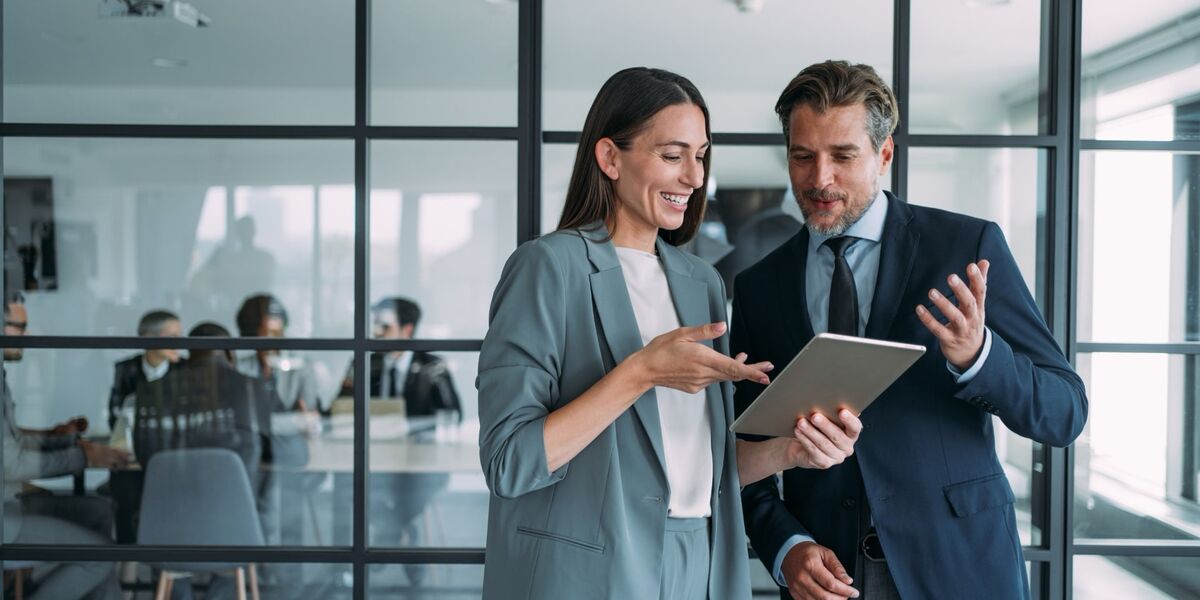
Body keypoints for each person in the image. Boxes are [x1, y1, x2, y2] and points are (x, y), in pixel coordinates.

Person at [477, 67, 863, 600]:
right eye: (672, 155)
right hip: (588, 571)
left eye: (701, 156)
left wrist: (788, 453)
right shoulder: (547, 267)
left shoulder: (700, 281)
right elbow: (509, 463)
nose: (694, 177)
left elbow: (698, 463)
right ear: (610, 157)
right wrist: (640, 373)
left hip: (701, 560)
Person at [732, 61, 1089, 599]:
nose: (819, 178)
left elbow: (1065, 411)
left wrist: (979, 356)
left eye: (843, 156)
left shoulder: (966, 249)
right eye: (802, 156)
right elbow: (743, 450)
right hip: (830, 577)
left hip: (961, 567)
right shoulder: (760, 286)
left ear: (885, 154)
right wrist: (785, 546)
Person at [2, 293, 128, 600]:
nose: (27, 335)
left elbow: (12, 442)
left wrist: (60, 437)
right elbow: (11, 464)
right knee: (101, 555)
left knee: (98, 511)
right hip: (5, 518)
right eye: (21, 326)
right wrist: (82, 457)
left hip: (10, 501)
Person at [107, 310, 183, 429]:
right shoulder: (126, 369)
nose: (179, 343)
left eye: (180, 337)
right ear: (148, 338)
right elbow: (115, 417)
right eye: (172, 336)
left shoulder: (184, 368)